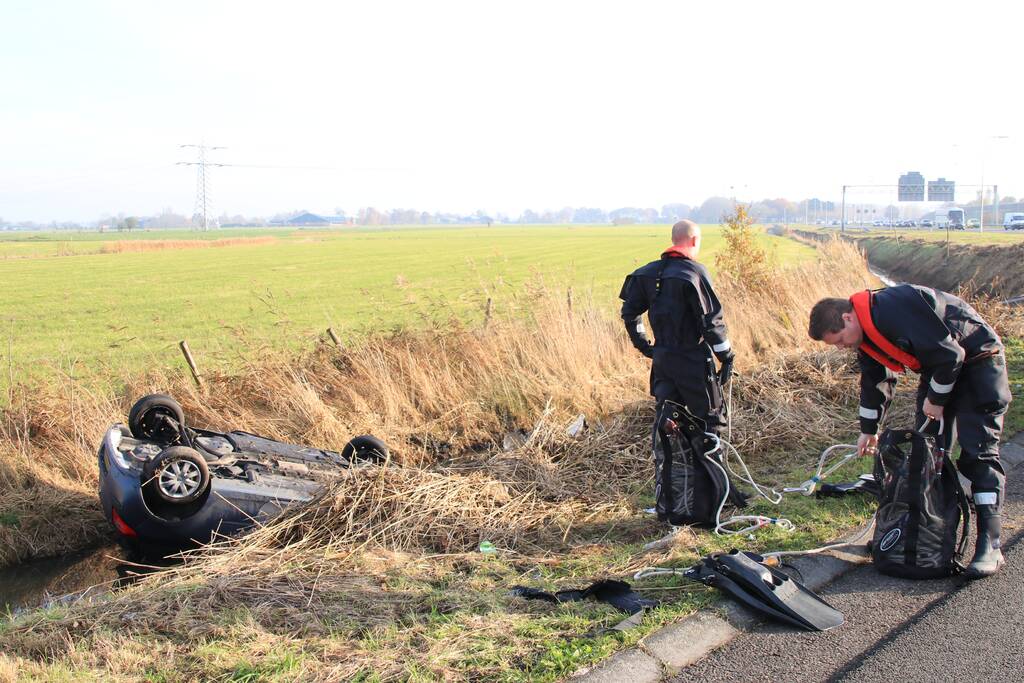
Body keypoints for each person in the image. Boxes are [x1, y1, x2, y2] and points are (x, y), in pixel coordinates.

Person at [809, 285, 1012, 578]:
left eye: (839, 340)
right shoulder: (866, 337)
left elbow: (951, 353)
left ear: (848, 317)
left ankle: (990, 545)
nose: (841, 347)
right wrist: (869, 430)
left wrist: (937, 399)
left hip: (978, 364)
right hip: (940, 372)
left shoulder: (893, 306)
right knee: (926, 456)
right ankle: (926, 538)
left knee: (978, 456)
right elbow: (875, 380)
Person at [619, 219, 735, 435]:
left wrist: (645, 346)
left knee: (667, 423)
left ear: (673, 240)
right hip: (693, 362)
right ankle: (708, 468)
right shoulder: (694, 273)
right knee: (711, 422)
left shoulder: (646, 273)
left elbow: (629, 314)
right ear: (694, 240)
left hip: (663, 360)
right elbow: (711, 323)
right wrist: (726, 356)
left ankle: (669, 467)